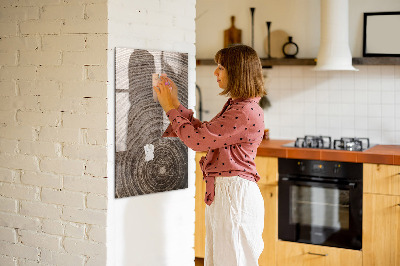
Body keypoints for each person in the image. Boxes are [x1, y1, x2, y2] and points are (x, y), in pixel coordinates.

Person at [153, 44, 266, 266]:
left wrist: (169, 108)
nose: (215, 72)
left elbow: (197, 141)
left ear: (237, 71)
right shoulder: (239, 106)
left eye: (221, 67)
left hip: (234, 195)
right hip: (228, 193)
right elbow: (205, 133)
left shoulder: (243, 111)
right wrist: (175, 104)